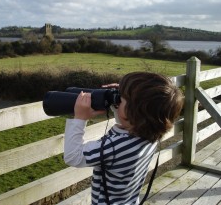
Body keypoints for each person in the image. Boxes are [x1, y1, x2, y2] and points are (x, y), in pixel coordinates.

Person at [64, 72, 184, 205]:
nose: (117, 99)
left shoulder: (115, 146)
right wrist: (125, 95)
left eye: (121, 99)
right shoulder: (152, 134)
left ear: (133, 111)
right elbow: (128, 118)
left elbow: (73, 156)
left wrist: (80, 118)